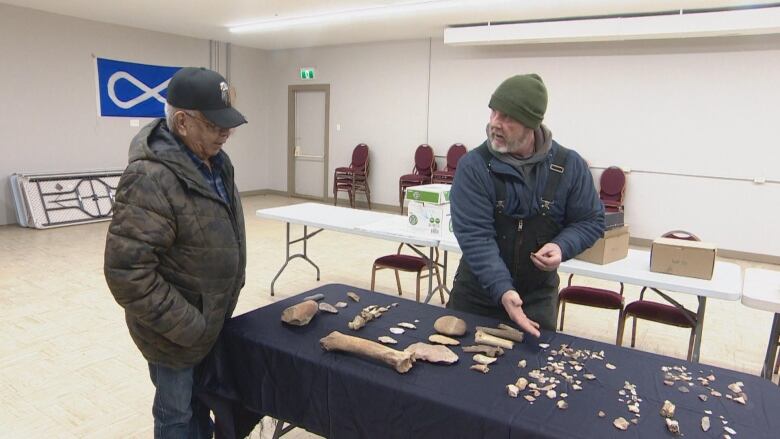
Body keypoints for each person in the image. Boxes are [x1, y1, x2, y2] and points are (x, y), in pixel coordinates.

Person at [104, 67, 248, 439]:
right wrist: (190, 325)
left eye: (227, 125)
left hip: (209, 321)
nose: (225, 133)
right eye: (215, 125)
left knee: (202, 403)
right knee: (177, 415)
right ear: (182, 122)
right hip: (174, 335)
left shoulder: (217, 163)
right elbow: (127, 273)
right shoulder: (149, 178)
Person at [449, 73, 604, 338]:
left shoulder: (570, 166)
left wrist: (562, 245)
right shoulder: (474, 166)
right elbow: (476, 237)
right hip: (477, 297)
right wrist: (503, 289)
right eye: (493, 113)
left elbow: (590, 221)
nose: (495, 124)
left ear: (531, 123)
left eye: (508, 117)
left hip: (536, 301)